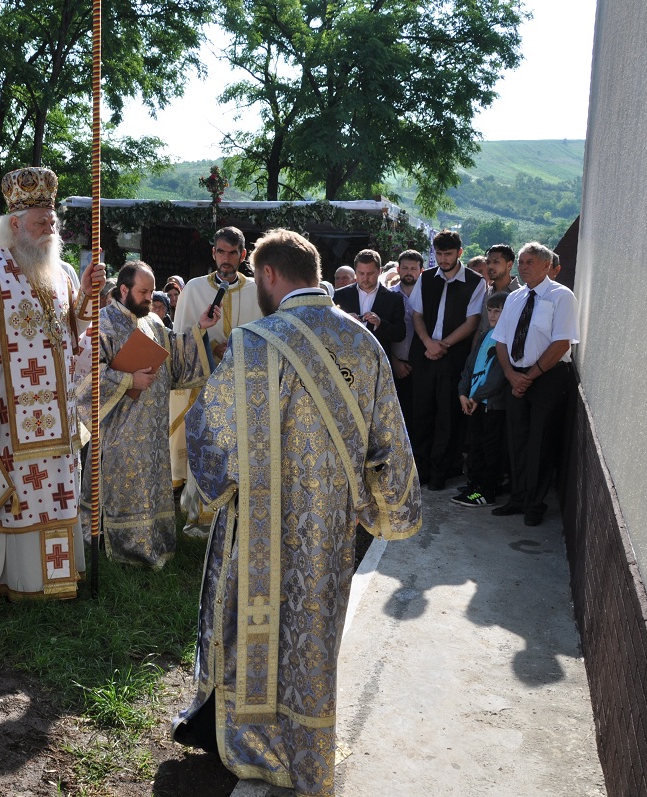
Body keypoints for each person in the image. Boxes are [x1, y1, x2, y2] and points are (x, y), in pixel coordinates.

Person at [173, 229, 421, 797]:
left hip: (258, 528)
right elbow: (389, 443)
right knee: (312, 635)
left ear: (267, 275)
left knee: (250, 628)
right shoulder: (364, 343)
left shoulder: (252, 343)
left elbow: (210, 434)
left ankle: (254, 743)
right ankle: (308, 751)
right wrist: (387, 512)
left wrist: (206, 495)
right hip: (330, 531)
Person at [0, 166, 104, 600]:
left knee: (57, 492)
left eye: (52, 221)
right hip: (8, 417)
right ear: (14, 225)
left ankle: (58, 578)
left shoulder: (63, 272)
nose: (50, 229)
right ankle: (16, 578)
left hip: (58, 416)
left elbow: (72, 331)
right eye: (40, 222)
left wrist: (88, 296)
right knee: (18, 496)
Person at [98, 261, 216, 568]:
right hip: (120, 429)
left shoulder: (151, 321)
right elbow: (87, 376)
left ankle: (155, 543)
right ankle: (125, 550)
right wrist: (129, 380)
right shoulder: (103, 323)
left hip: (153, 428)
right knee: (126, 487)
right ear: (124, 290)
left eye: (152, 292)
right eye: (143, 292)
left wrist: (200, 328)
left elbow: (174, 355)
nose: (150, 298)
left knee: (151, 487)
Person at [169, 226, 262, 533]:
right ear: (213, 253)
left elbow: (265, 337)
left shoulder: (256, 290)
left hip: (244, 389)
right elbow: (181, 342)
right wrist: (208, 343)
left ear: (243, 255)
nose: (226, 259)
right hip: (205, 388)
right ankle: (201, 516)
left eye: (233, 253)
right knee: (205, 449)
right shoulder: (194, 290)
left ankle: (240, 517)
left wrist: (237, 348)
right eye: (221, 252)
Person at [492, 242, 579, 526]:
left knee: (540, 442)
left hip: (547, 377)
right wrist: (511, 375)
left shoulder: (561, 296)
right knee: (516, 440)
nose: (524, 266)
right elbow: (501, 340)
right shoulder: (515, 298)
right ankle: (517, 498)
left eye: (530, 262)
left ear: (546, 265)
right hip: (515, 376)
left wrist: (529, 377)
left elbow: (562, 342)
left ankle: (534, 504)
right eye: (521, 261)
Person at [408, 230, 486, 491]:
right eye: (439, 254)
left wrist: (443, 345)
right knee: (421, 413)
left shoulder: (475, 282)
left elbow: (472, 322)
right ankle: (420, 470)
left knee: (448, 416)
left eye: (448, 254)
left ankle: (440, 472)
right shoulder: (426, 278)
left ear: (459, 253)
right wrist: (428, 343)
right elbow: (417, 315)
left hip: (453, 359)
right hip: (425, 356)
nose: (443, 259)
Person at [453, 291, 509, 507]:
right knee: (475, 447)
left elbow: (498, 376)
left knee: (490, 449)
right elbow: (470, 365)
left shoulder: (507, 339)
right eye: (490, 310)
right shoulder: (486, 335)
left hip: (490, 405)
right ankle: (475, 484)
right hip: (473, 402)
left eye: (498, 311)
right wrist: (462, 393)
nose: (492, 315)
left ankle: (486, 491)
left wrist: (476, 396)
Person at [332, 248, 407, 359]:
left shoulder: (394, 299)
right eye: (361, 273)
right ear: (355, 272)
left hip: (378, 360)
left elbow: (400, 334)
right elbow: (330, 327)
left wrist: (379, 323)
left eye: (370, 273)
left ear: (379, 271)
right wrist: (345, 321)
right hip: (346, 359)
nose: (365, 278)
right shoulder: (340, 295)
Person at [390, 248, 423, 416]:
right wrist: (394, 361)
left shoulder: (428, 296)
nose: (409, 272)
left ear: (421, 271)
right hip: (394, 365)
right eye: (405, 268)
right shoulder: (387, 296)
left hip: (422, 366)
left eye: (413, 268)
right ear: (398, 269)